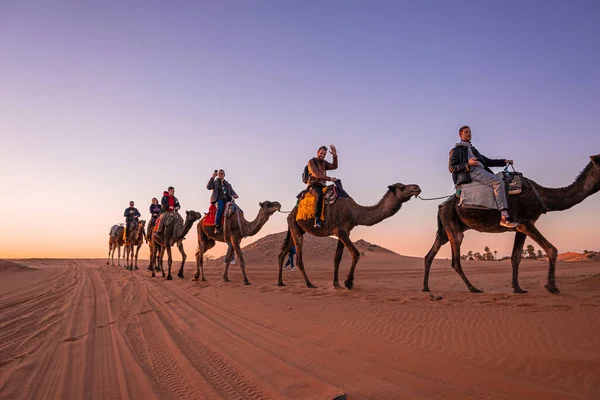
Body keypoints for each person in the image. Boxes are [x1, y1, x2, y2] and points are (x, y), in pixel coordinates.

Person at [449, 126, 518, 228]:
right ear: (461, 135)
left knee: (504, 178)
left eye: (470, 132)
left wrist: (504, 161)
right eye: (466, 132)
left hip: (481, 171)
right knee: (498, 182)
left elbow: (487, 161)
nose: (469, 134)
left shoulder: (473, 150)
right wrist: (467, 164)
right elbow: (451, 168)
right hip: (472, 172)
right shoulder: (455, 150)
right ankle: (504, 216)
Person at [306, 145, 338, 228]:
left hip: (323, 185)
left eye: (324, 154)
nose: (323, 155)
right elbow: (316, 174)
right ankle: (317, 219)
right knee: (319, 195)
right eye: (321, 153)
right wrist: (330, 178)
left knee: (336, 192)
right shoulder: (311, 162)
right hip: (313, 185)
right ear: (318, 152)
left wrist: (334, 156)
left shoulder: (323, 163)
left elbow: (334, 166)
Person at [207, 169, 238, 234]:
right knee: (220, 207)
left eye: (222, 173)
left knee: (236, 208)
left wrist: (235, 195)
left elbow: (232, 192)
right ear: (218, 175)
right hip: (218, 199)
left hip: (227, 200)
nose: (220, 174)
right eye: (219, 173)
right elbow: (208, 187)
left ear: (224, 175)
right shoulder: (215, 182)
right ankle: (217, 226)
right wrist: (213, 177)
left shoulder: (228, 184)